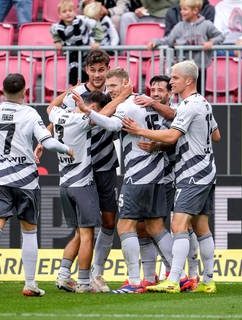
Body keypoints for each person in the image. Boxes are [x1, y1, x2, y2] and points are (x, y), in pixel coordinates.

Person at [36, 50, 132, 293]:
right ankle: (86, 278)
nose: (98, 75)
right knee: (85, 228)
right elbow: (57, 118)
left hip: (105, 164)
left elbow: (53, 110)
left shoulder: (114, 91)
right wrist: (43, 139)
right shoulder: (77, 96)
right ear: (87, 70)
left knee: (108, 221)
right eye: (94, 70)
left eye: (102, 70)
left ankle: (95, 273)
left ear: (108, 68)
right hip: (82, 170)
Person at [122, 60, 221, 293]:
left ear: (188, 80)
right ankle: (208, 281)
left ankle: (174, 280)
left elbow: (171, 137)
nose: (171, 81)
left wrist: (139, 131)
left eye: (174, 78)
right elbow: (216, 135)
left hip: (192, 173)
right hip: (207, 169)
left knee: (178, 226)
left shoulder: (188, 106)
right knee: (201, 227)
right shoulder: (203, 103)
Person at [73, 68, 174, 294]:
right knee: (154, 227)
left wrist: (86, 112)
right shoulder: (147, 104)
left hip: (138, 176)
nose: (110, 91)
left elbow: (111, 125)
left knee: (124, 225)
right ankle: (179, 276)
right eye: (108, 88)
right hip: (157, 175)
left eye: (114, 86)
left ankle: (134, 281)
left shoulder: (128, 105)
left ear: (127, 84)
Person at [0, 73, 73, 298]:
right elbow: (46, 141)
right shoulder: (29, 113)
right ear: (24, 91)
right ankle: (30, 284)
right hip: (25, 180)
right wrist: (66, 149)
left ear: (2, 91)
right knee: (29, 231)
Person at [134, 75, 199, 291]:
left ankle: (190, 274)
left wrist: (157, 146)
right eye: (152, 89)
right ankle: (151, 276)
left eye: (160, 90)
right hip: (152, 180)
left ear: (169, 94)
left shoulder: (178, 113)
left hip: (172, 179)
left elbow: (173, 144)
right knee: (147, 227)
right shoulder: (146, 113)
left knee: (180, 227)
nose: (154, 93)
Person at [49, 91, 111, 293]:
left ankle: (64, 277)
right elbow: (106, 114)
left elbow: (49, 107)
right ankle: (84, 283)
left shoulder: (59, 115)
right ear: (93, 108)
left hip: (65, 184)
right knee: (87, 236)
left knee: (78, 233)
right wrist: (123, 96)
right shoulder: (82, 119)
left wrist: (66, 93)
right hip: (82, 184)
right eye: (97, 111)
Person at [148, 0, 224, 94]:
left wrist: (211, 42)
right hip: (184, 69)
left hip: (200, 68)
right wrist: (155, 41)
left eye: (185, 9)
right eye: (181, 9)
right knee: (184, 93)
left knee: (199, 93)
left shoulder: (206, 24)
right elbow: (168, 40)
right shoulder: (179, 26)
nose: (181, 12)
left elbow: (220, 36)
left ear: (195, 10)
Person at [51, 0, 104, 85]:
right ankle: (77, 89)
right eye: (64, 11)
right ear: (59, 15)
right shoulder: (57, 27)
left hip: (86, 51)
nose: (68, 13)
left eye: (70, 11)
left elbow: (96, 26)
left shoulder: (82, 20)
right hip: (72, 53)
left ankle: (88, 87)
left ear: (74, 12)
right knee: (74, 71)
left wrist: (97, 41)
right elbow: (54, 33)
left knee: (89, 70)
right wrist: (57, 41)